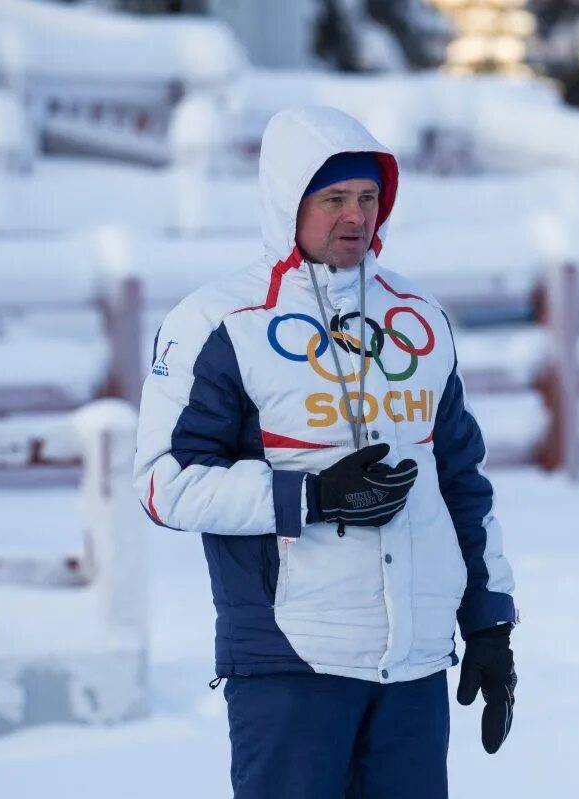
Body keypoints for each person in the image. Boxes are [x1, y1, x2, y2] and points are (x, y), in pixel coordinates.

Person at [132, 105, 517, 798]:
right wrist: (307, 495)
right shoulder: (220, 323)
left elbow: (461, 479)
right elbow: (166, 482)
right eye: (334, 198)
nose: (356, 216)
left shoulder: (419, 320)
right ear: (288, 202)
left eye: (368, 198)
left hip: (414, 665)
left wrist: (488, 621)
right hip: (291, 661)